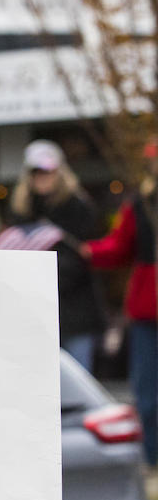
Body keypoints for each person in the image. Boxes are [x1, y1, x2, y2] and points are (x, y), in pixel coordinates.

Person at [82, 141, 158, 466]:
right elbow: (118, 247)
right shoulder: (140, 205)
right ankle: (153, 460)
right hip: (146, 313)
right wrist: (89, 252)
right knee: (147, 394)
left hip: (144, 309)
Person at [8, 139, 103, 371]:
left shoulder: (79, 207)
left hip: (75, 313)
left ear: (60, 171)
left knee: (79, 382)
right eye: (36, 171)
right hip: (36, 316)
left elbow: (85, 257)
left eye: (48, 171)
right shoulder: (22, 210)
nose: (43, 176)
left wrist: (43, 277)